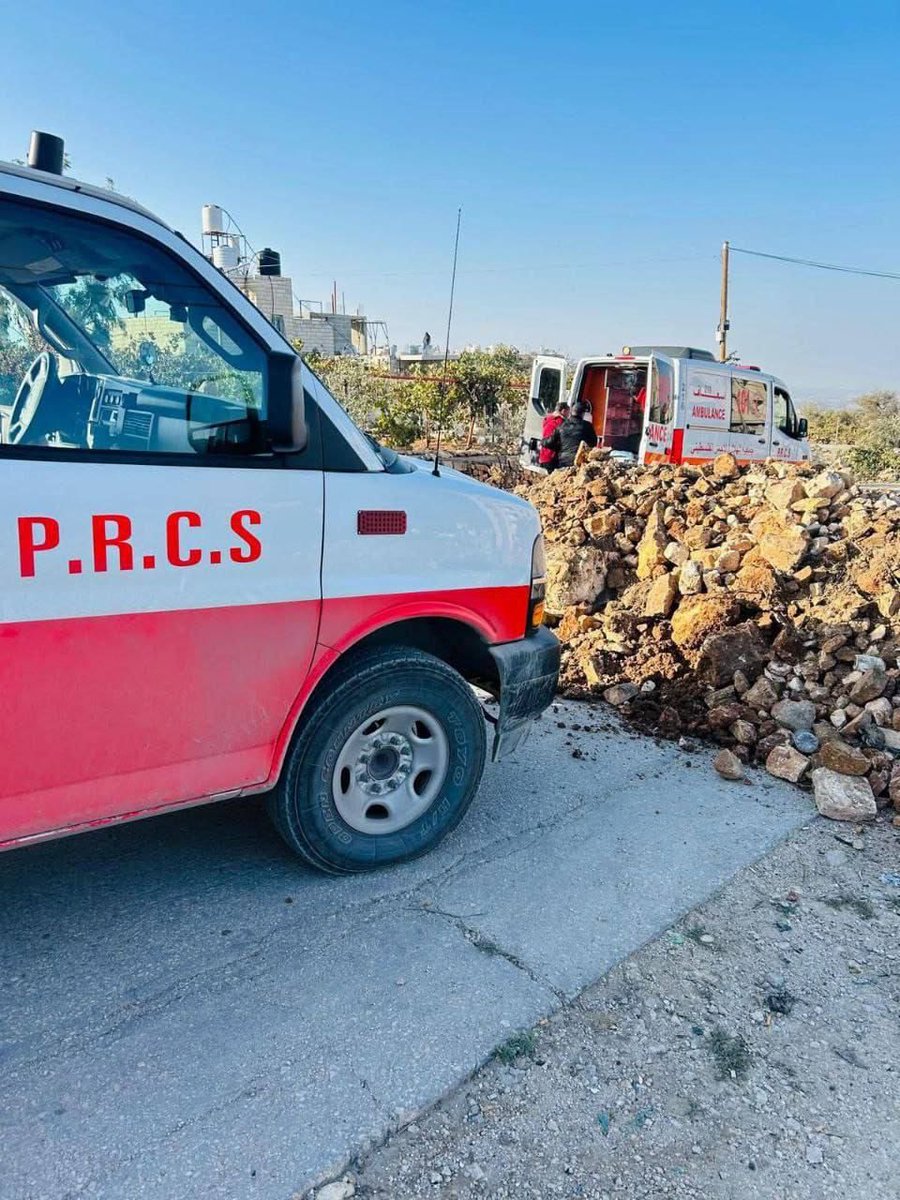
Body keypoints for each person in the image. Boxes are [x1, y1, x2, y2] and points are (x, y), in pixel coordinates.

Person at [543, 401, 597, 469]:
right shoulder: (587, 426)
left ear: (571, 412)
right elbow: (593, 443)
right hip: (579, 463)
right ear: (582, 414)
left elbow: (550, 442)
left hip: (563, 463)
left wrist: (544, 442)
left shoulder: (562, 426)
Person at [538, 401, 568, 471]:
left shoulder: (548, 419)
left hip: (543, 456)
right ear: (563, 411)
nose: (568, 415)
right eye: (568, 412)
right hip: (552, 457)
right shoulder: (560, 422)